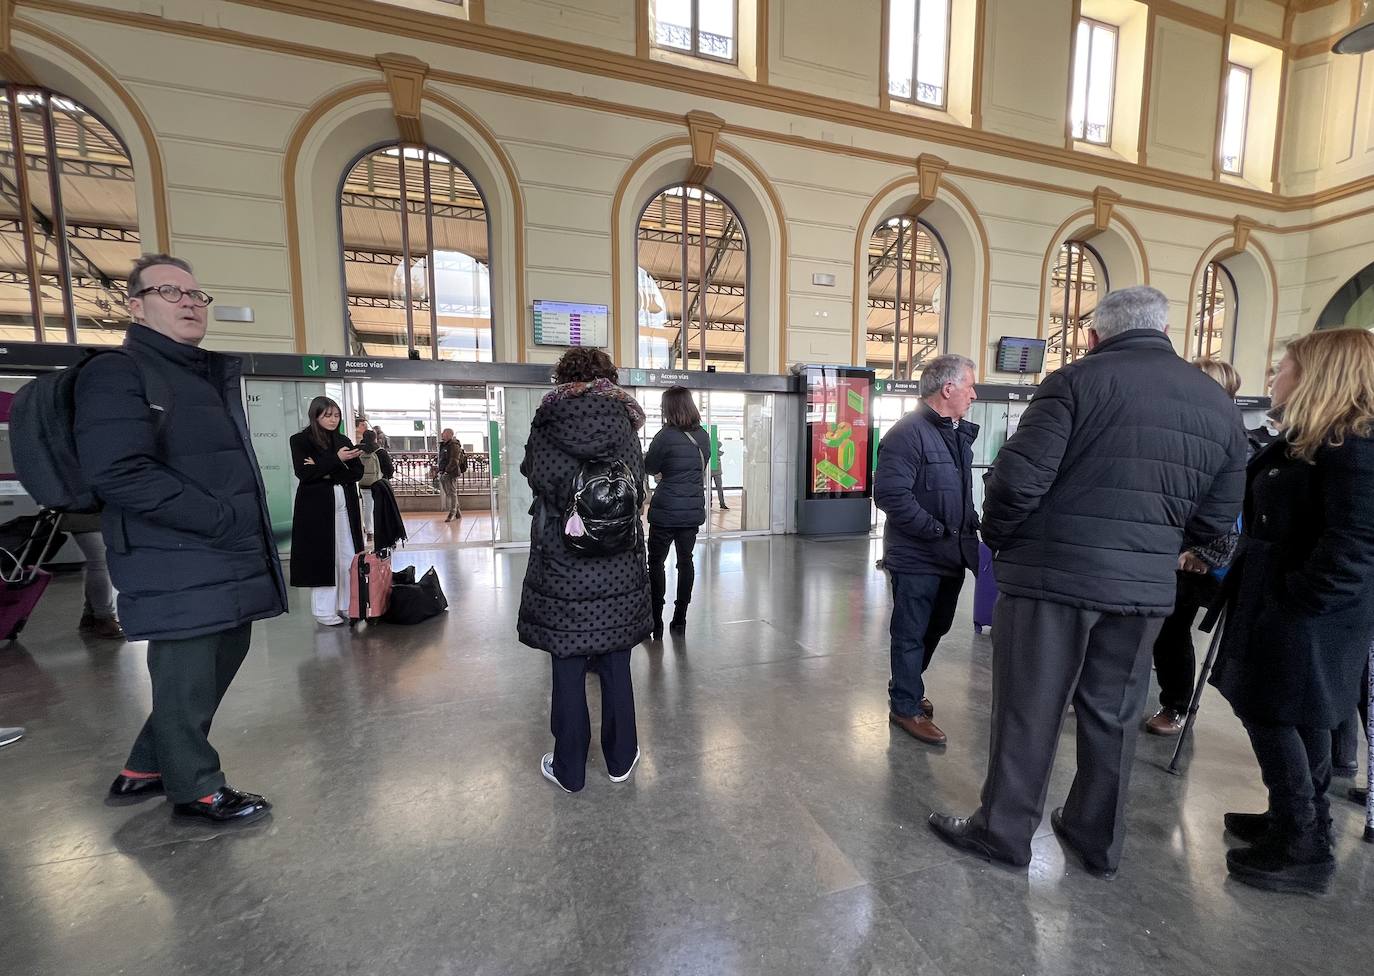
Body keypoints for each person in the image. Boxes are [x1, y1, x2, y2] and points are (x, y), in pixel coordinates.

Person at [928, 286, 1247, 878]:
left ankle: (1004, 833)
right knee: (1114, 713)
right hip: (1144, 591)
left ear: (1096, 335)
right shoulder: (1217, 403)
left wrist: (1000, 540)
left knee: (1030, 708)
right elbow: (1214, 521)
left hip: (1053, 580)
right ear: (1165, 331)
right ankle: (1095, 837)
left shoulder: (1074, 383)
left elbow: (1015, 482)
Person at [75, 253, 286, 825]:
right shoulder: (118, 374)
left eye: (196, 295)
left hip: (221, 555)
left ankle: (146, 765)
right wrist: (216, 517)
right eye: (171, 292)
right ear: (135, 305)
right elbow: (117, 471)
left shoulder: (197, 375)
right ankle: (195, 787)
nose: (190, 302)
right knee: (188, 670)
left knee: (220, 657)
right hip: (177, 557)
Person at [1211, 329, 1374, 895]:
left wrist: (1296, 604)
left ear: (1318, 376)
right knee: (1291, 714)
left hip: (1308, 616)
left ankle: (1304, 840)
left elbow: (1354, 545)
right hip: (1286, 603)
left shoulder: (1352, 449)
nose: (1274, 376)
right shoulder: (1315, 441)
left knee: (1278, 714)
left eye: (1283, 367)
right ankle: (1293, 817)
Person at [518, 347, 651, 792]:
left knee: (568, 664)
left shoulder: (547, 421)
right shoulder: (624, 422)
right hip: (616, 559)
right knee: (616, 661)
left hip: (562, 559)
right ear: (608, 377)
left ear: (562, 378)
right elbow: (638, 483)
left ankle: (569, 769)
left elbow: (534, 474)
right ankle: (621, 757)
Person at [873, 354, 981, 746]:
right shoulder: (907, 433)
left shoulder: (954, 433)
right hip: (918, 556)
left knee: (937, 627)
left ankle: (908, 684)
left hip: (950, 555)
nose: (973, 393)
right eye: (969, 385)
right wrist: (936, 530)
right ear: (948, 388)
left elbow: (959, 492)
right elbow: (889, 494)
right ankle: (905, 705)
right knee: (911, 632)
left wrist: (971, 521)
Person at [1144, 357, 1244, 736]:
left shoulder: (1231, 437)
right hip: (1161, 547)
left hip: (1195, 557)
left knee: (1170, 629)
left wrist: (1201, 553)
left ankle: (1176, 705)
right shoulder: (1177, 429)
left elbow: (1232, 506)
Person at [643, 386, 712, 640]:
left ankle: (656, 621)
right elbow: (701, 466)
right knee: (686, 562)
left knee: (656, 563)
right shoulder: (703, 436)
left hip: (665, 512)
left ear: (668, 408)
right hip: (691, 511)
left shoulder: (664, 436)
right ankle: (680, 618)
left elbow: (650, 467)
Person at [290, 398, 365, 626]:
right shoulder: (301, 440)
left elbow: (357, 472)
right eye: (327, 416)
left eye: (336, 415)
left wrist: (324, 467)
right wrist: (338, 460)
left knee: (347, 554)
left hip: (345, 502)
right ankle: (324, 611)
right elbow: (305, 474)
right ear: (316, 416)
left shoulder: (343, 439)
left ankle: (345, 604)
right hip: (316, 507)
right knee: (324, 557)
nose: (333, 420)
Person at [61, 512, 124, 640]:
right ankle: (104, 617)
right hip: (87, 514)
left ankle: (91, 615)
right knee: (100, 562)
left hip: (87, 513)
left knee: (97, 563)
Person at [356, 428, 394, 542]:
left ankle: (369, 531)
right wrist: (387, 477)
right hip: (378, 483)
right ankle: (381, 529)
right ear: (375, 438)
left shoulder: (358, 449)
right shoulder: (380, 451)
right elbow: (389, 468)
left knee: (366, 507)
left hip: (363, 483)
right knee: (379, 507)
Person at [437, 428, 465, 522]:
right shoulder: (444, 445)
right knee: (449, 493)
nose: (442, 434)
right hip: (443, 472)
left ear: (449, 434)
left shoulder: (453, 445)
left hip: (450, 473)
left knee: (452, 493)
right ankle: (458, 513)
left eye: (444, 433)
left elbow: (454, 460)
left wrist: (447, 471)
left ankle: (452, 512)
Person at [710, 440, 728, 511]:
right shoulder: (715, 450)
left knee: (715, 488)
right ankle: (721, 504)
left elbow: (720, 443)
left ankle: (719, 503)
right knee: (718, 488)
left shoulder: (714, 448)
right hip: (714, 471)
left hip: (714, 471)